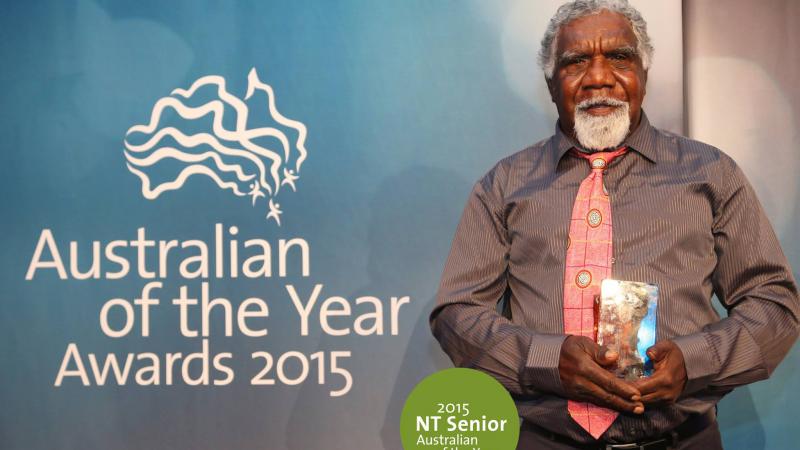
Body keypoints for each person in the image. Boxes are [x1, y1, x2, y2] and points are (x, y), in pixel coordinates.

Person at [429, 0, 800, 449]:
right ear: (551, 83)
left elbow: (774, 304)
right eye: (575, 61)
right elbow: (457, 315)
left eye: (620, 57)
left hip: (684, 439)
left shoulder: (711, 173)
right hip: (547, 440)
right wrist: (548, 360)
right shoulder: (504, 185)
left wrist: (693, 360)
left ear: (643, 72)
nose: (599, 77)